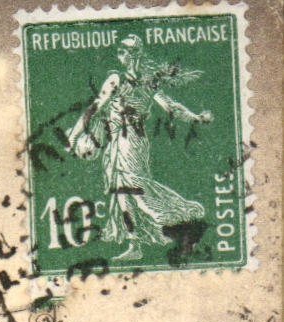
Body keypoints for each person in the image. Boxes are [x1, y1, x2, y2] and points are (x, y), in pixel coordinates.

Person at [65, 35, 213, 262]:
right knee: (123, 191)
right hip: (122, 142)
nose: (119, 55)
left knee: (133, 188)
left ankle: (176, 218)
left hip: (129, 142)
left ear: (135, 55)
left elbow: (170, 107)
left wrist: (195, 117)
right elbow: (95, 107)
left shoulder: (131, 81)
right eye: (119, 51)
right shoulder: (132, 81)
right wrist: (196, 117)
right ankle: (135, 243)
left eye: (124, 51)